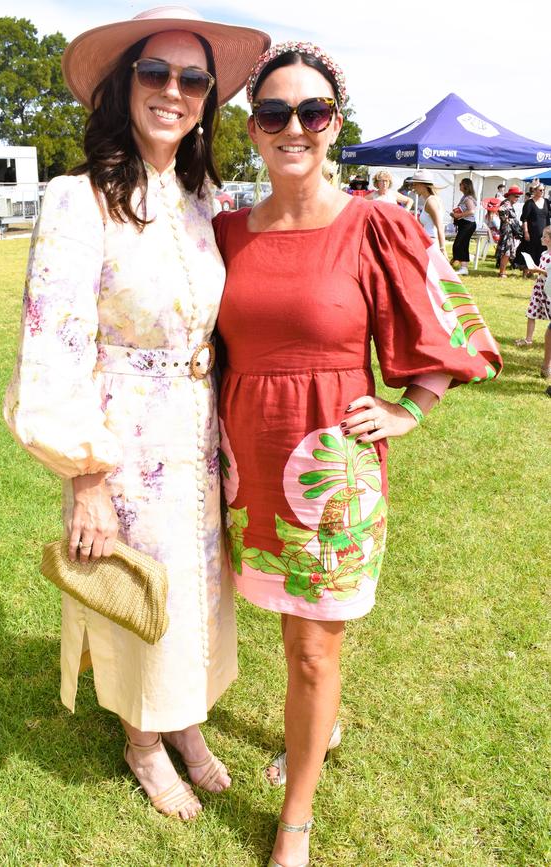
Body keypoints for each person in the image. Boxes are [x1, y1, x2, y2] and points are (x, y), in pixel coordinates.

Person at [213, 42, 502, 867]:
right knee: (289, 625)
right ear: (255, 128)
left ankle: (295, 818)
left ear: (335, 123)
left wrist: (413, 406)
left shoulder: (377, 223)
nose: (293, 127)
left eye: (312, 111)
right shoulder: (226, 230)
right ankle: (321, 722)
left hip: (331, 466)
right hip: (250, 463)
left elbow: (448, 320)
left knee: (313, 645)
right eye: (275, 113)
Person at [3, 6, 269, 820]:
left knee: (197, 588)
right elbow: (53, 345)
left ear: (205, 102)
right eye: (156, 73)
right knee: (136, 583)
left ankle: (183, 720)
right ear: (124, 88)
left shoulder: (200, 198)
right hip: (125, 436)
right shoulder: (77, 199)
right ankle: (143, 740)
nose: (174, 91)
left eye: (193, 80)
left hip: (199, 429)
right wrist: (87, 475)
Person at [514, 224, 551, 351]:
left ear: (549, 239)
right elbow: (542, 270)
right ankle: (528, 339)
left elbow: (549, 273)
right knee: (531, 312)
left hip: (549, 290)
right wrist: (533, 270)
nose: (541, 238)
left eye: (544, 236)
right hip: (539, 289)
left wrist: (537, 269)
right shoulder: (544, 253)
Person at [409, 169, 446, 255]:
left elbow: (439, 227)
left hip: (431, 244)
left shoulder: (431, 202)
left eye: (415, 184)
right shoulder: (432, 200)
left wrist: (442, 249)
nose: (413, 188)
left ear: (423, 185)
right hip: (428, 242)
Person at [451, 177, 477, 275]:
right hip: (465, 223)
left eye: (460, 184)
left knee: (459, 244)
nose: (459, 186)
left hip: (468, 224)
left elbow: (471, 211)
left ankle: (459, 263)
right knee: (463, 244)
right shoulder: (465, 197)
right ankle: (463, 267)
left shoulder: (468, 198)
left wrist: (459, 215)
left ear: (465, 185)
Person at [496, 186, 524, 277]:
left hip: (509, 230)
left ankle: (502, 271)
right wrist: (506, 220)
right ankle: (502, 272)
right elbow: (500, 210)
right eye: (516, 196)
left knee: (507, 252)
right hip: (507, 230)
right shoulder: (507, 203)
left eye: (518, 196)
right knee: (506, 252)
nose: (517, 198)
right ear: (510, 195)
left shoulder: (509, 204)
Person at [521, 184, 550, 266]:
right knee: (530, 251)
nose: (542, 192)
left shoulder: (547, 202)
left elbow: (548, 216)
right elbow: (524, 219)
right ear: (534, 190)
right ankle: (526, 272)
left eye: (543, 190)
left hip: (544, 233)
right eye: (540, 190)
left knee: (543, 251)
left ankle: (540, 270)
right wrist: (526, 232)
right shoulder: (529, 203)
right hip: (532, 232)